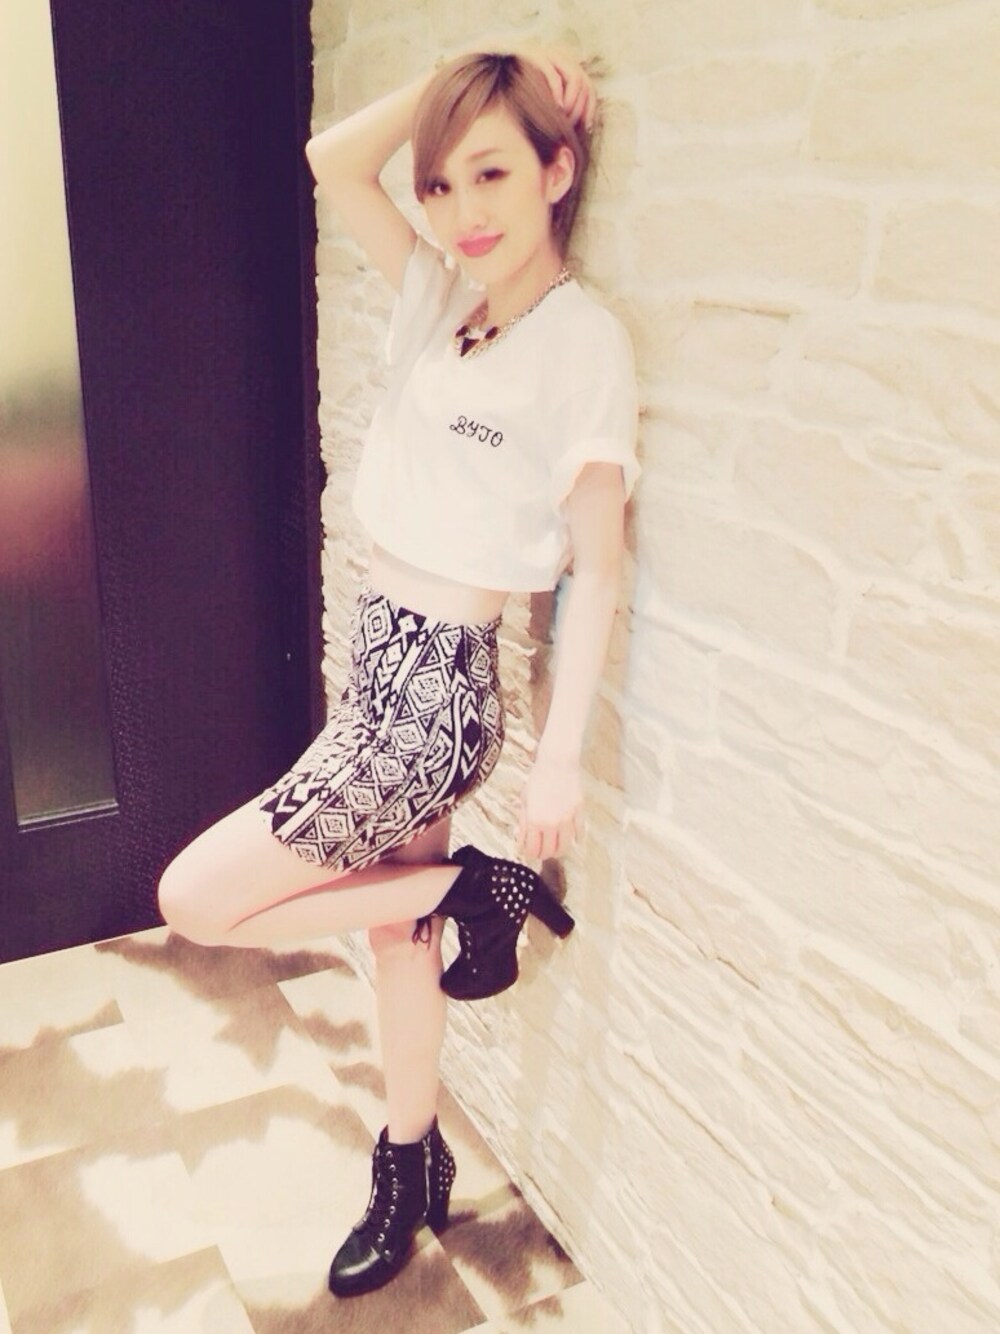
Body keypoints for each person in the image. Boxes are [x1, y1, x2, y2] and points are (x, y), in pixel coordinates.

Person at [157, 43, 639, 1299]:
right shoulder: (445, 300)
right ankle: (411, 1159)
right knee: (392, 930)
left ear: (558, 172)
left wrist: (557, 757)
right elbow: (331, 159)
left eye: (493, 173)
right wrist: (463, 68)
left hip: (433, 696)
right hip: (380, 659)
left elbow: (597, 566)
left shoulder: (581, 343)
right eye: (441, 182)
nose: (462, 210)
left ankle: (474, 883)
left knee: (195, 897)